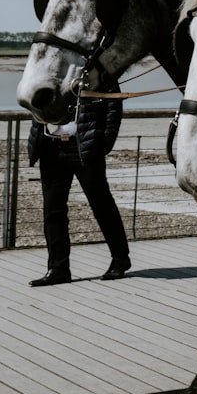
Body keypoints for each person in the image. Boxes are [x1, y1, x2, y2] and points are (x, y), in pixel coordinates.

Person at [26, 92, 131, 286]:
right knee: (52, 210)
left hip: (85, 146)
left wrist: (103, 143)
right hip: (51, 146)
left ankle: (120, 259)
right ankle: (58, 268)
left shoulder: (96, 71)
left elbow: (113, 107)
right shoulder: (51, 72)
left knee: (101, 204)